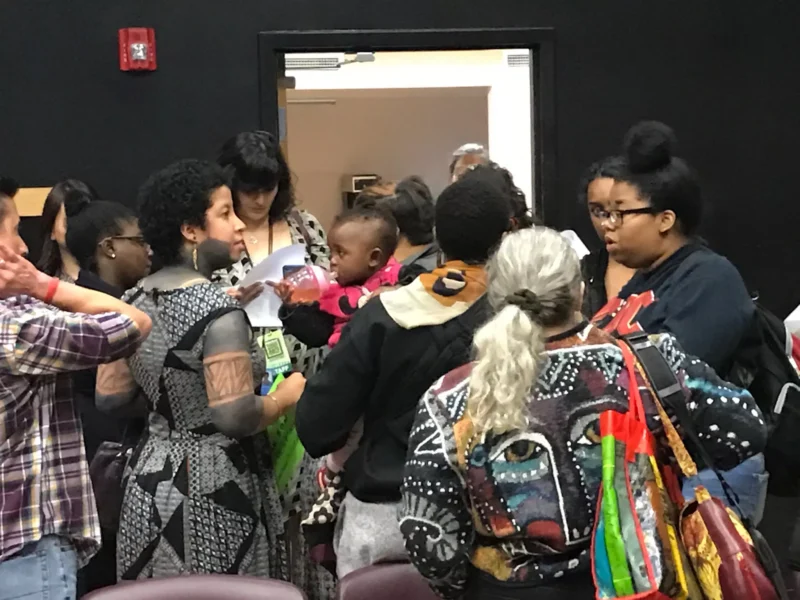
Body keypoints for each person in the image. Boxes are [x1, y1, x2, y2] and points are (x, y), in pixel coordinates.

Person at [399, 227, 768, 600]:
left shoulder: (450, 398)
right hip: (640, 581)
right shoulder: (646, 365)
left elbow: (428, 535)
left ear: (494, 297)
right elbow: (746, 431)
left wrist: (465, 589)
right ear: (578, 291)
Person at [294, 168, 514, 578]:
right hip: (493, 519)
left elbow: (317, 426)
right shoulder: (520, 318)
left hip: (386, 520)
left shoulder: (383, 312)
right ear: (507, 235)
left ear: (438, 236)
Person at [94, 159, 306, 583]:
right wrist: (284, 397)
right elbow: (235, 416)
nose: (239, 224)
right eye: (225, 214)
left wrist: (176, 399)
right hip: (215, 483)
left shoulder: (132, 300)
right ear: (191, 230)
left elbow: (110, 396)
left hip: (149, 479)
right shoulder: (219, 314)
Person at [0, 176, 151, 600]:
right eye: (14, 231)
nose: (24, 248)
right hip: (23, 550)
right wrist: (42, 285)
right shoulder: (15, 328)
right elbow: (133, 323)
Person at [215, 131, 334, 600]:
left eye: (268, 188)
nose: (259, 199)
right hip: (246, 375)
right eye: (249, 189)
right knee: (262, 498)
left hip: (308, 371)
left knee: (310, 497)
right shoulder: (218, 235)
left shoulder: (304, 225)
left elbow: (332, 292)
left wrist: (306, 293)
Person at [276, 207, 401, 554]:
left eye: (341, 253)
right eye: (331, 251)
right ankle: (332, 480)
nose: (332, 260)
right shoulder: (336, 290)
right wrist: (292, 307)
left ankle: (333, 475)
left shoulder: (397, 290)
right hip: (343, 382)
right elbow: (317, 332)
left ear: (374, 258)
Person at [591, 121, 753, 376]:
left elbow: (675, 379)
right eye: (605, 213)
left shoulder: (711, 280)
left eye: (619, 213)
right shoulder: (643, 279)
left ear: (665, 220)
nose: (607, 224)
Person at [64, 200, 152, 595]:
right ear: (110, 247)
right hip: (102, 456)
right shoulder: (98, 309)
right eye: (139, 240)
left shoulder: (109, 297)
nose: (148, 250)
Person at [578, 156, 635, 318]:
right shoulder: (583, 271)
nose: (607, 222)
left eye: (619, 211)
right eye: (598, 211)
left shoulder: (678, 271)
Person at [37, 179, 99, 280]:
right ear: (52, 230)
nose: (78, 227)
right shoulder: (40, 283)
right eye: (68, 221)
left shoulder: (115, 280)